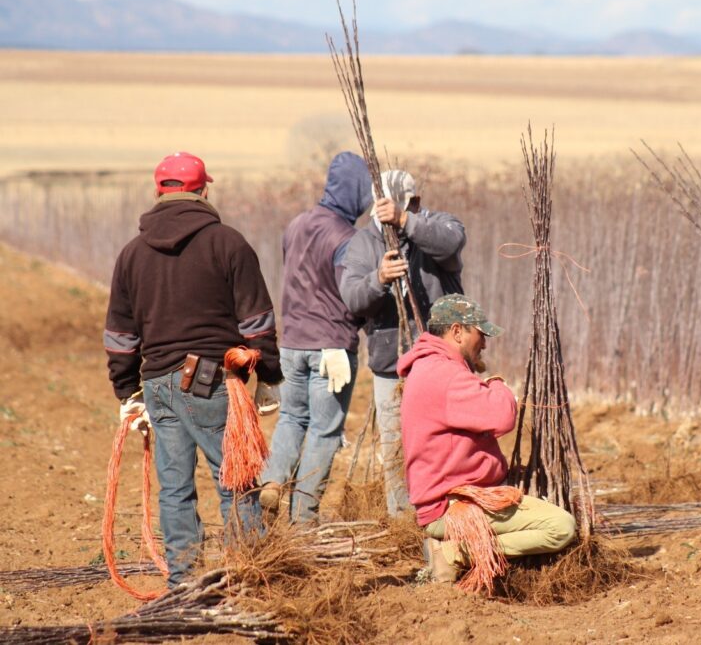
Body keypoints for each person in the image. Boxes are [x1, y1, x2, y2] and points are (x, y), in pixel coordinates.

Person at [104, 152, 283, 587]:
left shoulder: (131, 254)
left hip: (158, 384)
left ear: (157, 192)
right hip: (211, 382)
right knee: (236, 481)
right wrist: (270, 376)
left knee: (175, 488)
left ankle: (181, 583)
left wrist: (128, 392)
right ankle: (250, 577)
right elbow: (257, 322)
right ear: (204, 190)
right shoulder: (228, 243)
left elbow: (120, 336)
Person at [397, 294, 576, 582]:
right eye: (479, 334)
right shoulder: (445, 374)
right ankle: (456, 552)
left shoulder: (429, 367)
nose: (484, 343)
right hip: (453, 507)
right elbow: (502, 417)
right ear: (457, 331)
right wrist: (497, 384)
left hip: (447, 498)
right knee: (561, 527)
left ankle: (457, 548)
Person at [340, 170, 466, 517]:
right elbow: (352, 297)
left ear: (415, 203)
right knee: (397, 447)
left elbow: (451, 244)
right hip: (390, 366)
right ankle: (404, 522)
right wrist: (378, 279)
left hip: (441, 364)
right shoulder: (364, 244)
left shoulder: (439, 226)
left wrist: (405, 220)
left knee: (446, 444)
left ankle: (449, 516)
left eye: (401, 208)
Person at [259, 152, 373, 523]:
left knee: (292, 418)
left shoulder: (295, 225)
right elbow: (351, 293)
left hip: (291, 342)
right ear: (356, 192)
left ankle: (273, 481)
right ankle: (304, 516)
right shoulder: (346, 237)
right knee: (324, 432)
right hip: (332, 348)